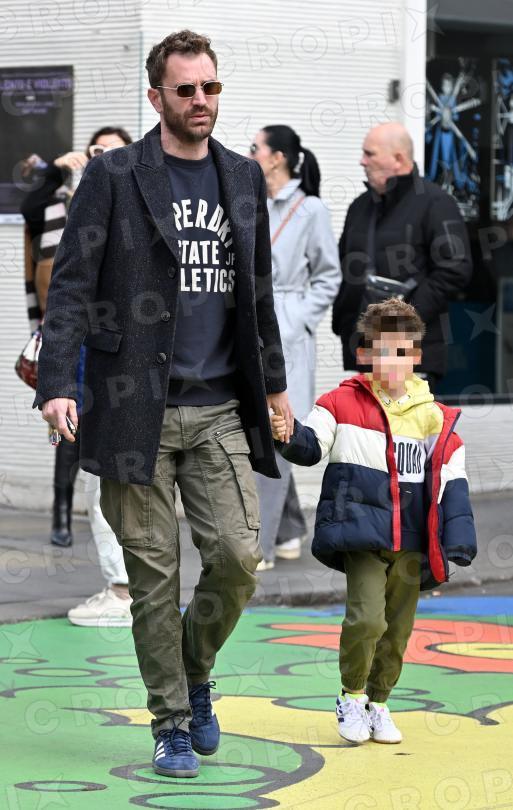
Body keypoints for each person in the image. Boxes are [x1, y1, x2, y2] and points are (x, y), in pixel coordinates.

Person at [35, 29, 291, 778]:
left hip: (219, 407)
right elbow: (71, 286)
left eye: (210, 87)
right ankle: (172, 722)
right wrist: (57, 383)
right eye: (186, 89)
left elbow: (258, 295)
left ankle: (193, 669)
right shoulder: (114, 175)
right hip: (131, 405)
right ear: (156, 96)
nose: (201, 100)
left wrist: (275, 386)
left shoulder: (242, 176)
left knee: (238, 558)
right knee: (152, 579)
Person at [271, 298, 476, 744]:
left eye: (401, 352)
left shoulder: (433, 417)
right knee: (366, 619)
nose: (392, 362)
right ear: (364, 353)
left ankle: (378, 702)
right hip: (362, 536)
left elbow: (452, 480)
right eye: (382, 351)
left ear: (416, 355)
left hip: (413, 542)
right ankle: (351, 695)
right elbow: (310, 446)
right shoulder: (339, 403)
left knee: (398, 631)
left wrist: (459, 538)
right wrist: (286, 434)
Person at [20, 129, 134, 627]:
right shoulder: (67, 203)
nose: (104, 159)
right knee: (87, 468)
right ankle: (121, 584)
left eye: (115, 151)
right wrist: (56, 174)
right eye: (97, 151)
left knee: (113, 479)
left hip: (125, 365)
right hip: (79, 359)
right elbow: (31, 213)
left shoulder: (136, 208)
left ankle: (124, 589)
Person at [248, 125, 340, 569]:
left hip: (284, 333)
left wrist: (294, 318)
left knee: (276, 428)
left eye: (256, 148)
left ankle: (259, 546)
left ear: (278, 157)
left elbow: (329, 275)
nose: (250, 154)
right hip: (248, 326)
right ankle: (288, 530)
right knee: (255, 424)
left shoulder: (310, 209)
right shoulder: (251, 202)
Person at [332, 122, 473, 390]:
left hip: (412, 357)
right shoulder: (360, 207)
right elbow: (345, 266)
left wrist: (401, 319)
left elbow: (455, 270)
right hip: (364, 352)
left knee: (404, 420)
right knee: (366, 419)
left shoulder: (436, 203)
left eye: (370, 154)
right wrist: (344, 320)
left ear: (398, 159)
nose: (362, 161)